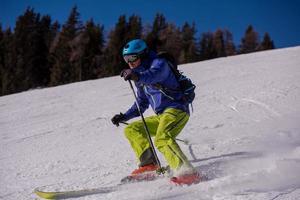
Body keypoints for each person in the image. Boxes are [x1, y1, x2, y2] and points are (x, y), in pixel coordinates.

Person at [111, 39, 201, 185]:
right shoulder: (139, 76)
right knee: (132, 129)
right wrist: (124, 116)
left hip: (177, 110)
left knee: (162, 138)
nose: (129, 62)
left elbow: (153, 75)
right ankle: (149, 164)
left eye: (132, 58)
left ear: (143, 54)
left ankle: (187, 172)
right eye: (126, 59)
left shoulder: (159, 64)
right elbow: (142, 102)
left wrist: (136, 76)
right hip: (162, 115)